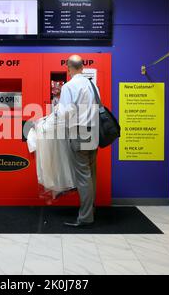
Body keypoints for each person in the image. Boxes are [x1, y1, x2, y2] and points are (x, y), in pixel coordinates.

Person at [57, 55, 100, 227]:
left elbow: (64, 113)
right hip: (94, 132)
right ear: (82, 67)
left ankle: (85, 217)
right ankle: (90, 210)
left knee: (83, 176)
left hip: (79, 132)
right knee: (91, 174)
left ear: (68, 68)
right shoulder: (93, 85)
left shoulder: (69, 86)